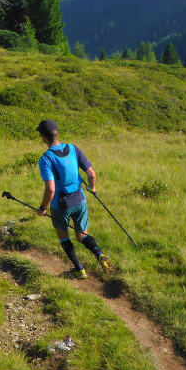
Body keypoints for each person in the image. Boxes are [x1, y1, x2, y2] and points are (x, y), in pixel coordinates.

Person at [34, 119, 112, 279]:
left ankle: (79, 270)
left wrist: (43, 208)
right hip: (80, 199)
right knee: (82, 235)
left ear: (43, 136)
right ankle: (99, 254)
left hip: (60, 204)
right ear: (57, 133)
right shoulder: (73, 149)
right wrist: (92, 188)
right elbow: (92, 174)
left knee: (64, 237)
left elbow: (50, 189)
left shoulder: (46, 158)